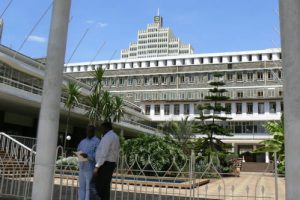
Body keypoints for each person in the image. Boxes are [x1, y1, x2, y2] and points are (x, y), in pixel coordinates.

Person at [93, 122, 120, 200]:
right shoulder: (115, 136)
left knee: (98, 189)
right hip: (110, 164)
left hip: (105, 165)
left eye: (101, 128)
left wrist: (97, 166)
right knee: (105, 189)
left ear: (106, 128)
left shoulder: (108, 137)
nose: (100, 130)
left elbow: (104, 153)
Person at [77, 125, 100, 200]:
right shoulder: (82, 141)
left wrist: (88, 156)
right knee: (81, 188)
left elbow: (98, 155)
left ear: (93, 131)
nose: (88, 132)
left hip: (90, 168)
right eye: (87, 131)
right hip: (82, 167)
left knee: (88, 189)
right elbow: (78, 150)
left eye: (90, 131)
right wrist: (78, 154)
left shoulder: (97, 141)